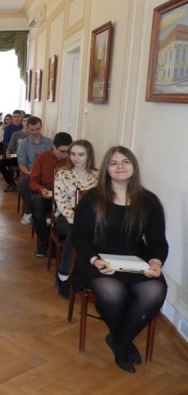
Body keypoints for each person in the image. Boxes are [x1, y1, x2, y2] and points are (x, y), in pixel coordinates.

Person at [71, 146, 168, 373]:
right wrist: (95, 260)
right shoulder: (92, 198)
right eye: (113, 163)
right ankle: (123, 343)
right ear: (107, 169)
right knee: (113, 292)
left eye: (125, 161)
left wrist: (156, 262)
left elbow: (158, 241)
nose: (120, 167)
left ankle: (119, 340)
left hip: (136, 259)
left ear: (134, 166)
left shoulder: (149, 201)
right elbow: (79, 238)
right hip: (97, 259)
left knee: (155, 290)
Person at [53, 140, 98, 299]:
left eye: (81, 154)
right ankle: (63, 274)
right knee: (75, 233)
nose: (76, 158)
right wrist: (76, 220)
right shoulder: (62, 174)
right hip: (66, 216)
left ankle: (88, 274)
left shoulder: (97, 176)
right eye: (73, 154)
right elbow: (61, 202)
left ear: (89, 155)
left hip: (90, 218)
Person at [28, 132, 73, 258]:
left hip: (65, 196)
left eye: (68, 151)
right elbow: (33, 181)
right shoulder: (42, 158)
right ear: (54, 147)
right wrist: (42, 189)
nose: (66, 154)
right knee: (36, 204)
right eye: (62, 151)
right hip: (47, 194)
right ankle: (43, 241)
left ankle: (57, 242)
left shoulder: (72, 160)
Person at [17, 116, 52, 225]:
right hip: (30, 172)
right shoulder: (23, 143)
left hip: (46, 173)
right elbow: (21, 163)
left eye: (38, 129)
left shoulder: (50, 143)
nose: (36, 132)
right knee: (23, 181)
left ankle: (48, 214)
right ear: (28, 129)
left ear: (41, 127)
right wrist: (28, 172)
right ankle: (28, 212)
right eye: (32, 130)